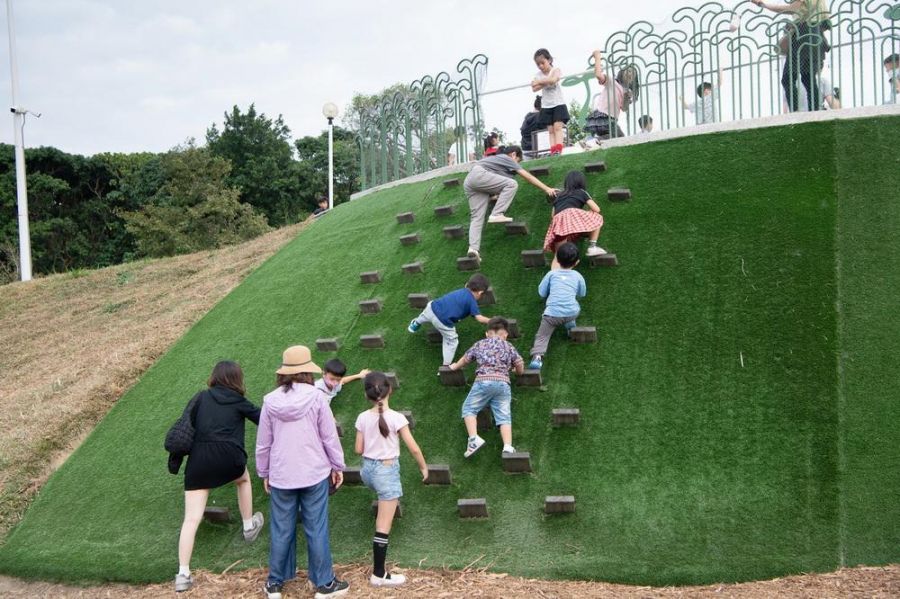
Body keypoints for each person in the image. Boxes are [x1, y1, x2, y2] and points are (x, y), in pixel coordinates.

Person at [256, 346, 349, 599]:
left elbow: (264, 442)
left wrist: (264, 472)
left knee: (281, 528)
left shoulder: (270, 400)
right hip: (314, 471)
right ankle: (325, 584)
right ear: (308, 371)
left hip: (282, 474)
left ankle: (275, 583)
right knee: (316, 527)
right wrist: (338, 466)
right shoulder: (317, 397)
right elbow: (329, 436)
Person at [175, 361, 263, 593]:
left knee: (191, 519)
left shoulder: (201, 397)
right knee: (242, 479)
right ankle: (248, 526)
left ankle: (183, 574)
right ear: (237, 379)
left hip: (199, 460)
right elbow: (263, 419)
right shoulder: (238, 400)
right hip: (229, 457)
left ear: (214, 377)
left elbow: (185, 427)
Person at [354, 371, 428, 587]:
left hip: (367, 472)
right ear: (390, 391)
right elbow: (413, 448)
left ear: (367, 395)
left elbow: (358, 449)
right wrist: (424, 467)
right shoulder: (397, 418)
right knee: (383, 525)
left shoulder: (362, 417)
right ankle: (379, 574)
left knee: (382, 506)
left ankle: (379, 572)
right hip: (386, 472)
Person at [461, 145, 557, 261]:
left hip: (470, 181)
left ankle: (473, 249)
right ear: (513, 155)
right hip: (479, 175)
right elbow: (528, 177)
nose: (517, 164)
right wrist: (547, 188)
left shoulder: (495, 162)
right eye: (518, 161)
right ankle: (496, 214)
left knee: (476, 217)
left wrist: (494, 197)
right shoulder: (506, 158)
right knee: (512, 184)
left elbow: (492, 183)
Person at [448, 317, 525, 457]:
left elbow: (466, 359)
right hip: (503, 384)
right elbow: (519, 364)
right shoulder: (509, 346)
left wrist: (454, 366)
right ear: (506, 334)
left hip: (483, 381)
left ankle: (473, 439)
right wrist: (517, 372)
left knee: (469, 409)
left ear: (487, 333)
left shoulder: (480, 344)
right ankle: (508, 446)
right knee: (504, 416)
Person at [752, 0, 830, 112]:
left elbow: (790, 9)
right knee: (808, 78)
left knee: (787, 79)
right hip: (817, 38)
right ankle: (815, 110)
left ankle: (796, 112)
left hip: (803, 36)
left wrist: (763, 4)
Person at [408, 273, 492, 368]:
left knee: (423, 316)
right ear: (480, 293)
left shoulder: (463, 290)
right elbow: (479, 318)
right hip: (443, 322)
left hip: (432, 307)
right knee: (452, 341)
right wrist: (491, 320)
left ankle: (415, 324)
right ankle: (446, 365)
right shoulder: (472, 301)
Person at [528, 242, 587, 371]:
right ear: (576, 262)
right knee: (573, 305)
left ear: (557, 260)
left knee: (542, 336)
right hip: (572, 312)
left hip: (551, 316)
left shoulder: (551, 274)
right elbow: (582, 294)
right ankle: (570, 324)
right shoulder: (578, 276)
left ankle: (537, 358)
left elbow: (541, 292)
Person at [543, 170, 605, 264]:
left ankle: (556, 272)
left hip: (559, 223)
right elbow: (596, 209)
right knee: (597, 217)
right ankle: (592, 246)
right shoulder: (581, 192)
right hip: (573, 215)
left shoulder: (559, 195)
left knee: (559, 257)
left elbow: (553, 215)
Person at [586, 50, 636, 140]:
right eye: (628, 71)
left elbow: (624, 109)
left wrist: (626, 98)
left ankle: (591, 140)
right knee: (620, 137)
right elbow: (598, 74)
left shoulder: (626, 91)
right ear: (621, 72)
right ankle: (592, 140)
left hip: (610, 119)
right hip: (603, 116)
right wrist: (597, 57)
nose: (630, 75)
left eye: (633, 74)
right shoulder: (611, 81)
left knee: (616, 137)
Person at [531, 48, 569, 155]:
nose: (540, 66)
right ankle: (553, 151)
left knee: (558, 127)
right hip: (546, 105)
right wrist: (545, 81)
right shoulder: (538, 74)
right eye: (538, 64)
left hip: (558, 103)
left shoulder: (556, 69)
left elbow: (553, 79)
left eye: (542, 63)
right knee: (551, 130)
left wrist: (540, 82)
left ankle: (559, 149)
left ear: (549, 60)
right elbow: (534, 88)